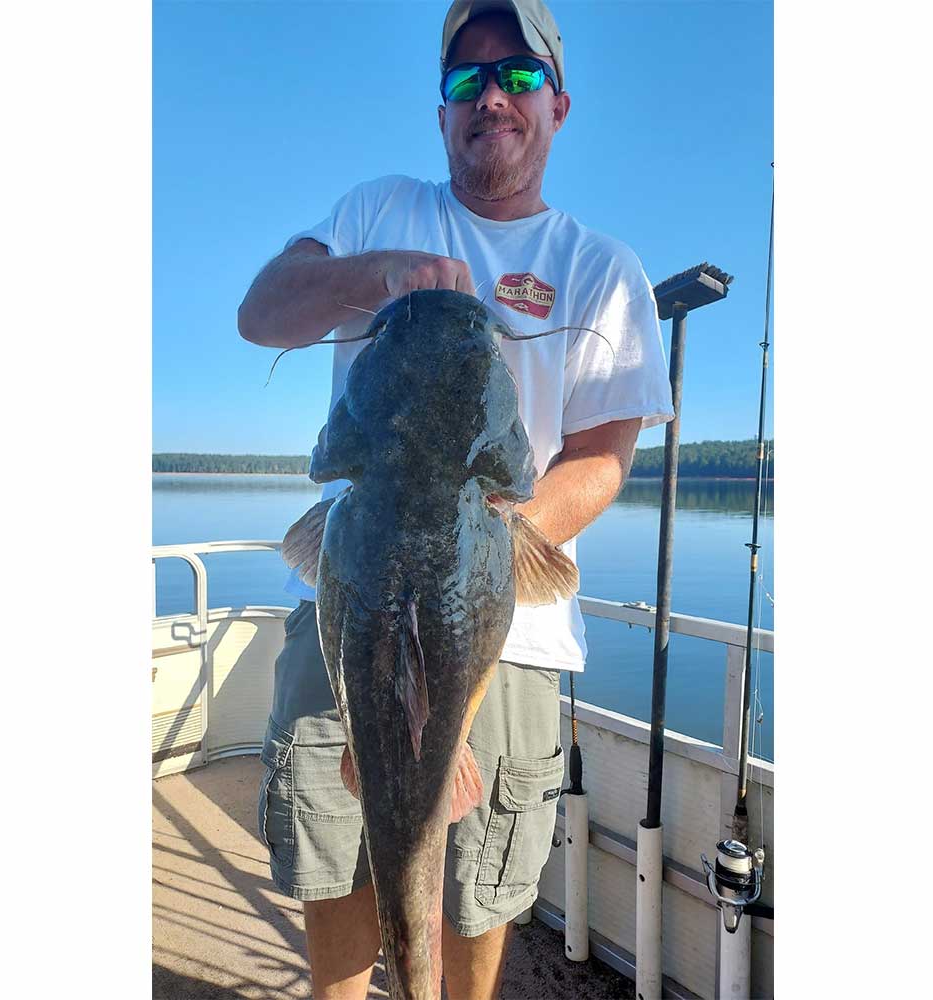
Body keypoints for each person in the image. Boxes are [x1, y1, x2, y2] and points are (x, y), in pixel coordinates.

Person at [238, 2, 674, 997]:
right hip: (349, 614)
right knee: (338, 872)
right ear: (441, 112)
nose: (492, 96)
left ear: (558, 104)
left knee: (475, 904)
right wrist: (380, 275)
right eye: (466, 79)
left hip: (507, 634)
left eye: (518, 76)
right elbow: (261, 313)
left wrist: (476, 549)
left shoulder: (602, 272)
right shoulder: (378, 211)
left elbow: (602, 460)